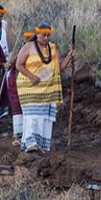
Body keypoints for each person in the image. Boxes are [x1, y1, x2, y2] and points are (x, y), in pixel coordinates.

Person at [13, 23, 72, 153]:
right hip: (29, 88)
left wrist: (69, 56)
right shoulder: (28, 47)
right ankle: (31, 143)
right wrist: (32, 76)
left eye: (48, 35)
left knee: (43, 118)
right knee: (33, 116)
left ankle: (41, 146)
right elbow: (19, 65)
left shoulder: (53, 48)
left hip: (47, 90)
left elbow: (59, 68)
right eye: (43, 35)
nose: (46, 37)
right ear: (37, 34)